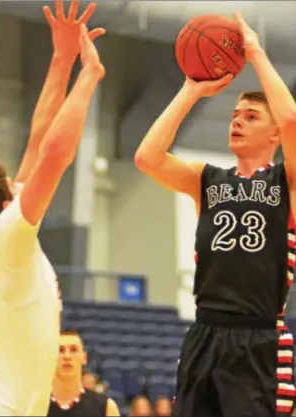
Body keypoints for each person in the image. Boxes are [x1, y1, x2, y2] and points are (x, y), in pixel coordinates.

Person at [135, 11, 296, 417]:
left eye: (252, 116)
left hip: (259, 338)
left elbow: (292, 118)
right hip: (204, 333)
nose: (238, 120)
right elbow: (147, 157)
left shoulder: (287, 182)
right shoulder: (206, 179)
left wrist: (256, 54)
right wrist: (190, 91)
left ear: (275, 135)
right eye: (234, 115)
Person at [0, 1, 105, 415]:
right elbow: (53, 155)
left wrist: (62, 60)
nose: (22, 182)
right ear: (8, 205)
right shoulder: (7, 246)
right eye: (15, 185)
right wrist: (88, 78)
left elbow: (37, 141)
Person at [47, 330, 120, 417]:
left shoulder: (106, 407)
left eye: (73, 350)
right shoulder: (33, 404)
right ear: (50, 357)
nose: (67, 356)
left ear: (84, 358)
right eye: (60, 350)